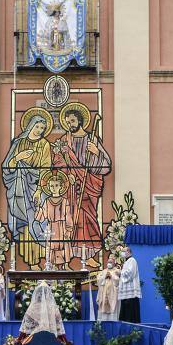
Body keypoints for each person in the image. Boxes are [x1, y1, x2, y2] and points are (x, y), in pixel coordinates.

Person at [52, 105, 112, 266]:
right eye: (67, 121)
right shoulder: (64, 141)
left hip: (89, 185)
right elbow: (57, 161)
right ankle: (69, 255)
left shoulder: (92, 140)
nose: (70, 124)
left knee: (88, 218)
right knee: (70, 219)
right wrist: (67, 174)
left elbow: (106, 165)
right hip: (71, 188)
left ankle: (89, 255)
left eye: (72, 120)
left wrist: (96, 152)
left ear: (80, 120)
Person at [2, 114, 51, 266]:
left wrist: (38, 190)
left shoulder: (44, 144)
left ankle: (41, 259)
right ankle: (31, 262)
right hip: (19, 188)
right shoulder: (19, 143)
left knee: (38, 220)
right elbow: (7, 167)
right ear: (30, 125)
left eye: (42, 128)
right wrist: (18, 157)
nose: (40, 130)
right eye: (37, 126)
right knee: (24, 223)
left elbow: (46, 168)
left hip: (37, 187)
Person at [35, 171, 74, 268]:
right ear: (48, 187)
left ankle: (66, 265)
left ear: (61, 187)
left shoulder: (65, 201)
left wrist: (68, 230)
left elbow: (68, 215)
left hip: (62, 227)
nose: (54, 188)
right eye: (52, 186)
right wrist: (37, 206)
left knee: (64, 246)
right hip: (51, 228)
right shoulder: (47, 201)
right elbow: (42, 216)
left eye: (56, 185)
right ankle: (52, 266)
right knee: (52, 246)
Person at [118, 246, 141, 323]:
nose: (122, 253)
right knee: (125, 313)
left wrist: (120, 272)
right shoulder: (126, 262)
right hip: (126, 291)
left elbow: (130, 273)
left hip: (130, 292)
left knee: (130, 313)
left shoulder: (132, 260)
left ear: (129, 252)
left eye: (124, 251)